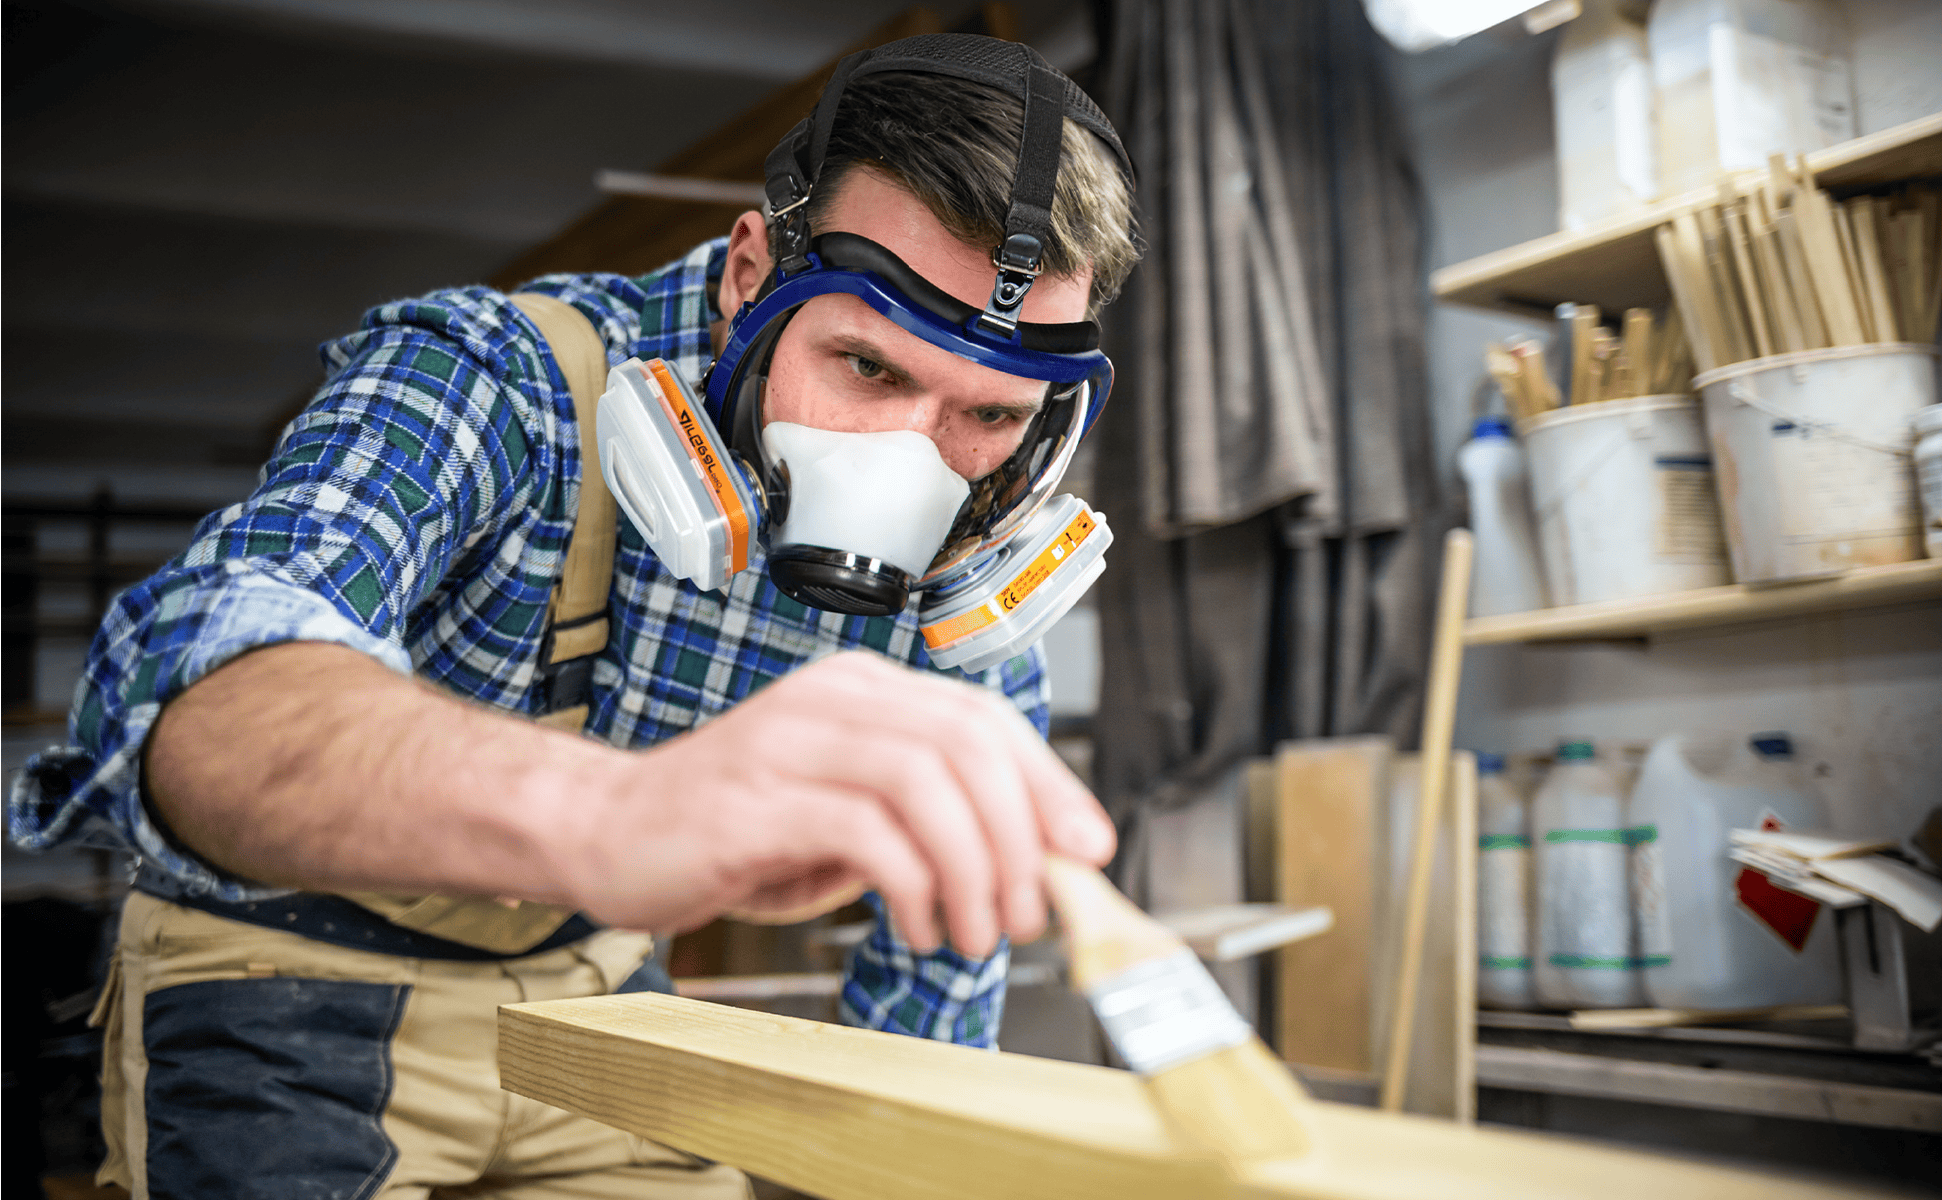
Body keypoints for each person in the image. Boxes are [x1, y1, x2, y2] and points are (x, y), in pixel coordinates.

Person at [8, 33, 1138, 1200]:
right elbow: (198, 684)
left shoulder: (973, 545)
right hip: (280, 975)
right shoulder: (500, 379)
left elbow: (934, 981)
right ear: (755, 273)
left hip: (589, 995)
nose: (917, 469)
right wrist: (617, 812)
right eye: (867, 368)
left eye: (991, 414)